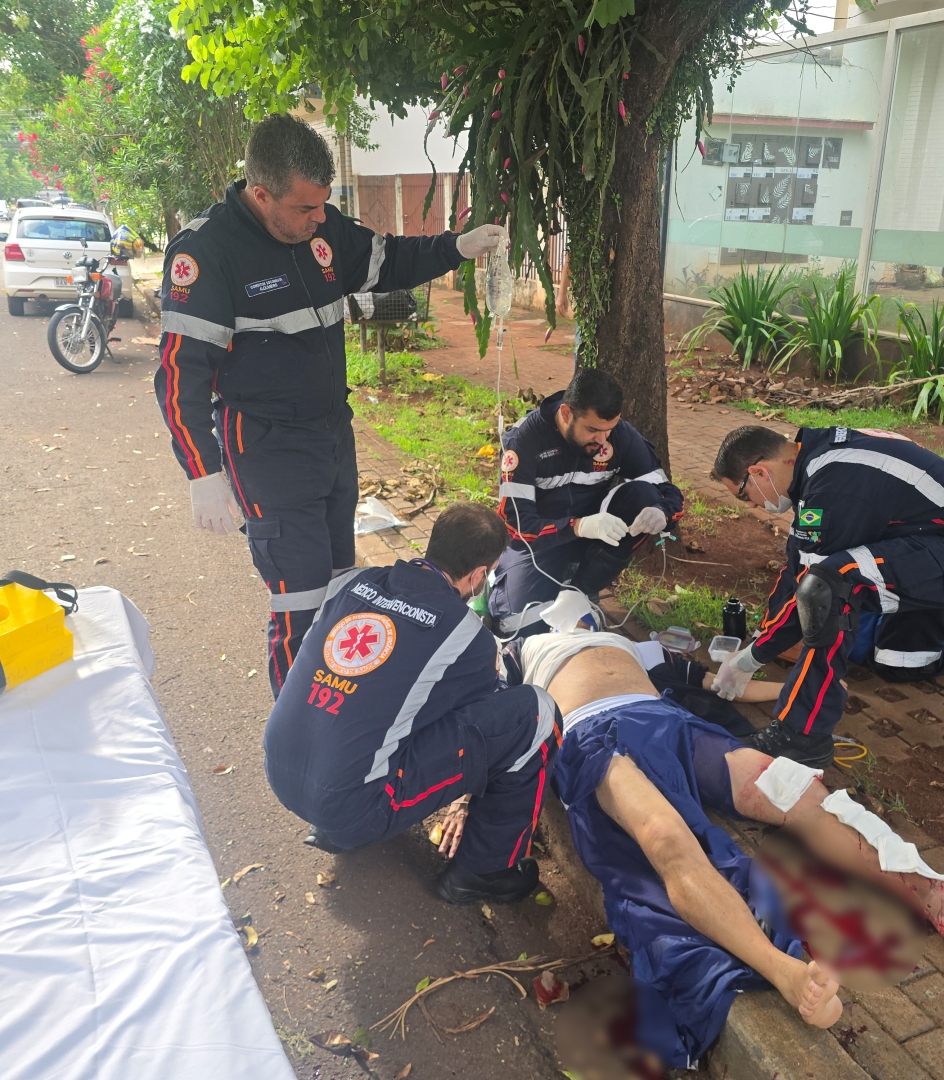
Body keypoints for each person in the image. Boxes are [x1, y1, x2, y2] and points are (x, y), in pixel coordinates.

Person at [515, 630, 944, 1068]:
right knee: (664, 838)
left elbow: (724, 686)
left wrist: (799, 690)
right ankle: (786, 972)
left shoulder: (638, 645)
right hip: (589, 737)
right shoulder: (517, 642)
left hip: (670, 724)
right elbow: (497, 724)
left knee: (798, 789)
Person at [154, 113, 504, 695]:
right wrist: (202, 471)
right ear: (261, 195)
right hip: (267, 448)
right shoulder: (207, 252)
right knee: (302, 601)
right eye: (305, 209)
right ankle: (298, 730)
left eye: (324, 205)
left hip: (331, 437)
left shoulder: (321, 228)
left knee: (342, 587)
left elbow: (387, 260)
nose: (319, 219)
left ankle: (338, 706)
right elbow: (178, 375)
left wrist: (457, 247)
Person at [711, 425, 944, 767]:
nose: (752, 505)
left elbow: (814, 588)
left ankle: (801, 733)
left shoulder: (833, 481)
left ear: (759, 472)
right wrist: (759, 641)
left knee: (832, 586)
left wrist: (751, 659)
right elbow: (797, 567)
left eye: (744, 495)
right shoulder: (814, 469)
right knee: (901, 661)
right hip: (936, 547)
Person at [262, 502, 559, 905]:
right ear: (478, 576)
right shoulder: (465, 635)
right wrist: (465, 801)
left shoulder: (351, 582)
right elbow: (477, 728)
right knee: (536, 713)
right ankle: (485, 870)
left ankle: (334, 821)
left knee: (382, 701)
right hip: (353, 805)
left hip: (281, 773)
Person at [488, 368, 683, 637]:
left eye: (608, 430)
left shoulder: (620, 435)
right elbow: (516, 527)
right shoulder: (524, 440)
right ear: (566, 414)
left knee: (645, 496)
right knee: (516, 626)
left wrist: (662, 513)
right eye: (592, 430)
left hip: (595, 537)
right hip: (539, 543)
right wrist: (578, 526)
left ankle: (583, 589)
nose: (602, 440)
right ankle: (508, 580)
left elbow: (668, 492)